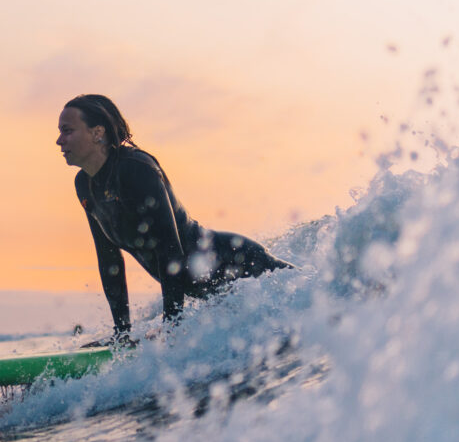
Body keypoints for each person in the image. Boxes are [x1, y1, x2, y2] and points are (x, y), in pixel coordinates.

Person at [57, 94, 292, 339]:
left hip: (241, 264)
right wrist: (122, 335)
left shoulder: (137, 170)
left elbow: (169, 249)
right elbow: (109, 261)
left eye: (67, 131)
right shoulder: (85, 185)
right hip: (215, 287)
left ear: (97, 133)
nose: (59, 140)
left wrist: (172, 329)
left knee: (317, 297)